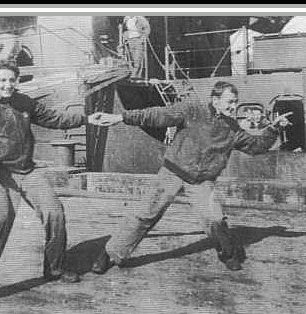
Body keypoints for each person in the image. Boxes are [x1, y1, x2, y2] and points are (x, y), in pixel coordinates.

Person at [90, 81, 292, 275]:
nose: (234, 106)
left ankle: (228, 254)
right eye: (230, 102)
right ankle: (110, 254)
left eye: (235, 102)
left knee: (214, 219)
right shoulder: (192, 110)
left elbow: (256, 146)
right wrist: (120, 117)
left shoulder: (232, 130)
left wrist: (274, 129)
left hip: (201, 180)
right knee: (145, 214)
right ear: (215, 100)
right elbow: (158, 115)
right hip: (172, 172)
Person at [0, 60, 100, 312]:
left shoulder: (24, 102)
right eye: (2, 80)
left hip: (27, 171)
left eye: (12, 80)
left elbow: (54, 118)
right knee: (0, 218)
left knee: (54, 211)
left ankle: (54, 267)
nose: (7, 85)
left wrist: (86, 119)